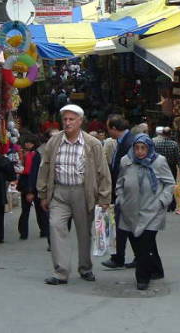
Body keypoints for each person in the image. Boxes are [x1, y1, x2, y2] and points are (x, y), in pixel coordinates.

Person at [37, 104, 112, 285]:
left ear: (80, 121)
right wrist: (43, 193)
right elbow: (45, 167)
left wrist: (104, 197)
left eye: (71, 119)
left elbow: (103, 171)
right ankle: (60, 272)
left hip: (82, 191)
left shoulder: (92, 143)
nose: (68, 123)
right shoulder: (54, 142)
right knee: (55, 226)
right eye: (65, 119)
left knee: (84, 232)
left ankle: (85, 268)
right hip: (59, 192)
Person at [116, 134, 175, 290]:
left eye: (143, 148)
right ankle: (156, 269)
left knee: (145, 243)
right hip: (130, 211)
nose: (140, 152)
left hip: (153, 210)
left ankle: (142, 278)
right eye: (137, 148)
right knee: (138, 243)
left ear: (149, 148)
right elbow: (120, 183)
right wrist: (121, 198)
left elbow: (169, 183)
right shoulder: (126, 161)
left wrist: (162, 201)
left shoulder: (159, 162)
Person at [102, 114, 137, 269]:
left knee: (124, 225)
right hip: (121, 189)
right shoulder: (122, 141)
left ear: (114, 129)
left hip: (126, 191)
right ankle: (121, 256)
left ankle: (120, 257)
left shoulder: (129, 142)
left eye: (108, 128)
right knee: (122, 225)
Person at [17, 134, 49, 241]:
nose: (27, 144)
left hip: (31, 185)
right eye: (26, 142)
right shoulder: (27, 154)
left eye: (30, 142)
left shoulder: (34, 155)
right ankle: (39, 231)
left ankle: (26, 232)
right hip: (30, 185)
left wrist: (30, 191)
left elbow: (32, 173)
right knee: (34, 210)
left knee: (32, 210)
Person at [154, 126, 180, 212]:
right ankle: (172, 204)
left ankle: (162, 203)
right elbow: (178, 157)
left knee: (161, 185)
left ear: (162, 133)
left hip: (159, 166)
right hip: (171, 167)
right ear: (170, 134)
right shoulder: (174, 144)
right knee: (171, 185)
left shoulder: (156, 143)